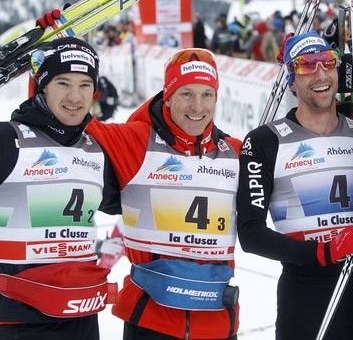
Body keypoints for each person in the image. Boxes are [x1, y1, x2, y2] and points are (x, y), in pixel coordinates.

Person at [236, 31, 353, 340]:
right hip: (304, 293)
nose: (320, 74)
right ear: (291, 79)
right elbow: (250, 234)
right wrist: (325, 251)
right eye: (306, 66)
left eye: (327, 62)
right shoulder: (265, 141)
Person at [0, 36, 121, 340]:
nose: (75, 97)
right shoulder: (4, 141)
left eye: (85, 85)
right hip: (22, 321)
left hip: (82, 316)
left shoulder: (95, 149)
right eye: (63, 83)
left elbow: (130, 197)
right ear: (43, 86)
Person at [85, 47, 242, 340]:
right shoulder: (137, 140)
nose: (197, 106)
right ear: (167, 97)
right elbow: (70, 116)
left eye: (207, 94)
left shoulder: (234, 151)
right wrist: (45, 63)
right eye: (186, 94)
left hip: (217, 323)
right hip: (151, 322)